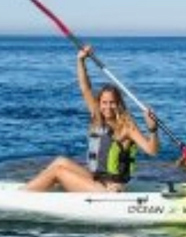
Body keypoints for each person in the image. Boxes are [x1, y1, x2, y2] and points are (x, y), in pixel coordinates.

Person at [25, 45, 159, 192]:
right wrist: (81, 61)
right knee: (60, 161)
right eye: (104, 103)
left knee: (58, 172)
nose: (108, 107)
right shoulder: (97, 117)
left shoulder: (127, 126)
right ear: (99, 103)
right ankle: (34, 189)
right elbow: (85, 88)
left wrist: (152, 129)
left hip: (110, 189)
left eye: (112, 103)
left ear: (119, 104)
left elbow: (151, 150)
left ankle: (23, 195)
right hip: (96, 180)